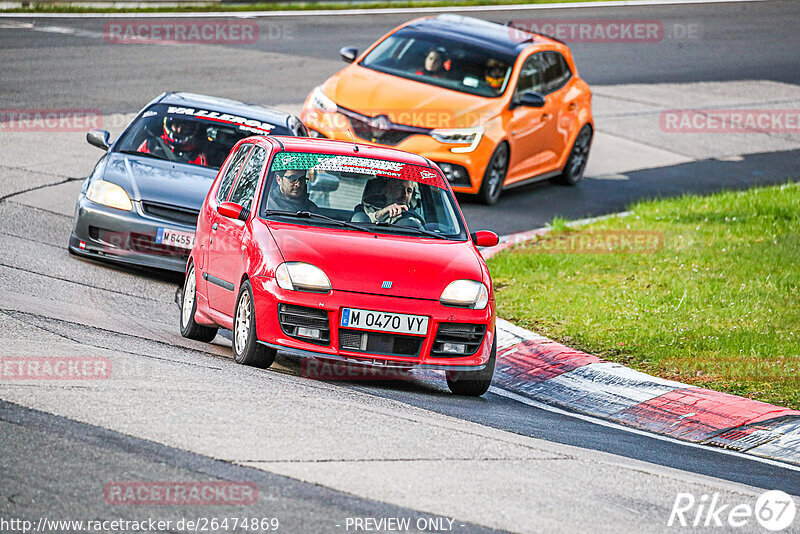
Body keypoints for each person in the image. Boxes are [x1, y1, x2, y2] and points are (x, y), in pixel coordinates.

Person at [137, 116, 208, 166]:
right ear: (169, 125)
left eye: (184, 127)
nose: (179, 130)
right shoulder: (150, 144)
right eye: (176, 126)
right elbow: (136, 163)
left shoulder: (196, 155)